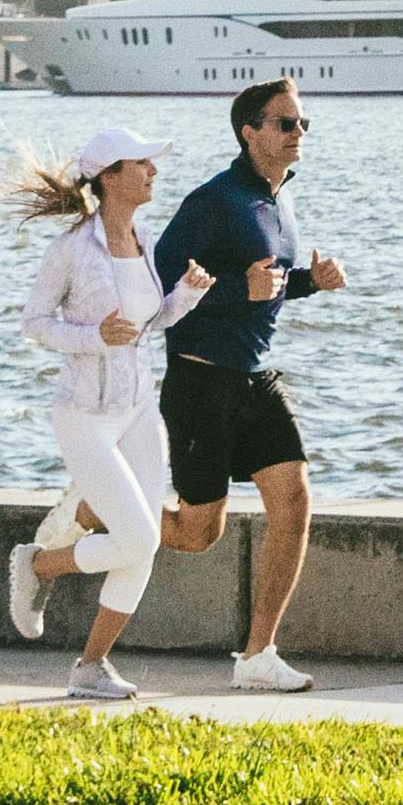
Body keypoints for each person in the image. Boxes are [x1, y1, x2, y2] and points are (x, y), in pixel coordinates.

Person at [152, 76, 348, 692]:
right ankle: (94, 506)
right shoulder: (214, 199)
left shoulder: (279, 201)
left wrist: (310, 281)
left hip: (256, 379)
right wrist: (240, 288)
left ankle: (258, 655)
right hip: (200, 381)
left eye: (303, 125)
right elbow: (161, 282)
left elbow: (271, 280)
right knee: (195, 533)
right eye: (286, 124)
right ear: (250, 131)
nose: (298, 135)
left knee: (294, 501)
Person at [3, 128, 210, 701]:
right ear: (112, 176)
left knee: (143, 544)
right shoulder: (71, 249)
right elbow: (36, 323)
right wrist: (93, 336)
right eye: (143, 164)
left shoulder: (142, 238)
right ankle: (41, 565)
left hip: (140, 408)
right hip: (85, 415)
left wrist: (186, 297)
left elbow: (146, 324)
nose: (154, 173)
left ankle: (90, 668)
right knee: (137, 539)